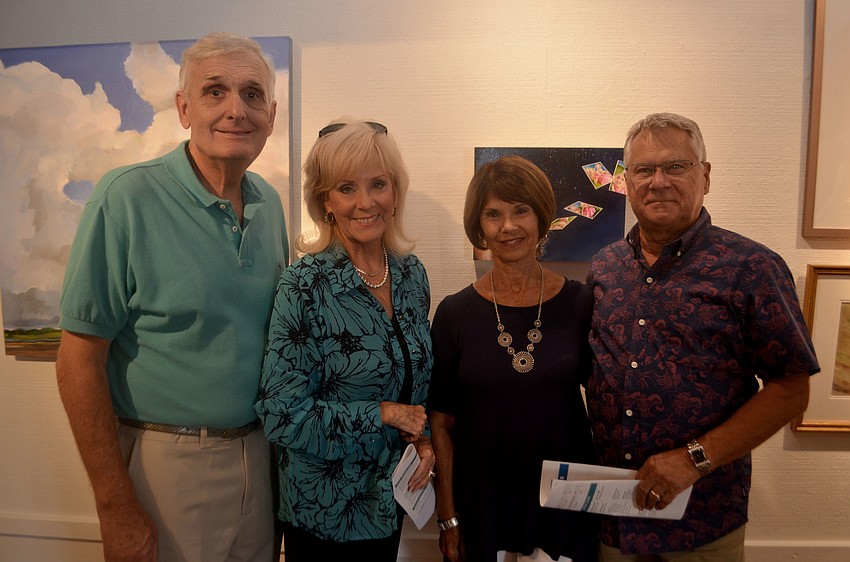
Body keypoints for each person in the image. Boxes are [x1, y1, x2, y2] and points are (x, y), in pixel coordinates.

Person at [55, 32, 287, 562]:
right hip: (168, 464)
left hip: (260, 456)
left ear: (270, 115)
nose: (236, 110)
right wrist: (115, 507)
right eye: (214, 91)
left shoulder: (270, 205)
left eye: (252, 95)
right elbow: (78, 362)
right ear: (184, 108)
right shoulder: (125, 198)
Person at [586, 112, 820, 561]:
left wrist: (694, 458)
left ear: (706, 176)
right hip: (613, 518)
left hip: (702, 522)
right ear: (627, 181)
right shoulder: (604, 267)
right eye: (644, 169)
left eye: (676, 166)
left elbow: (792, 389)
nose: (658, 181)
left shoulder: (752, 267)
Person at [254, 120, 434, 562]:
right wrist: (385, 415)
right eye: (347, 188)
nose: (366, 202)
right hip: (323, 515)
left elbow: (415, 380)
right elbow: (282, 415)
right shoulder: (303, 285)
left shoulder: (411, 275)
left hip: (389, 504)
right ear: (325, 201)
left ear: (395, 192)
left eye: (378, 184)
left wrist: (423, 440)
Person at [428, 155, 599, 562]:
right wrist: (448, 514)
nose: (508, 226)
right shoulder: (454, 314)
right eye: (493, 214)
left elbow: (607, 402)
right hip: (481, 503)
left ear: (540, 217)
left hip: (563, 501)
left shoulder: (581, 303)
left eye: (520, 211)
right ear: (480, 227)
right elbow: (440, 422)